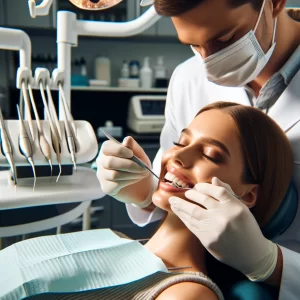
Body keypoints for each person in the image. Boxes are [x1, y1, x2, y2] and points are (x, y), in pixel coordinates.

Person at [96, 0, 300, 299]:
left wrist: (270, 263)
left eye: (226, 39)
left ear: (274, 3)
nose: (209, 62)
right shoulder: (188, 77)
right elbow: (174, 184)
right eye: (193, 45)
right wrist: (143, 193)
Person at [2, 102, 293, 300]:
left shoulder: (186, 294)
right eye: (181, 142)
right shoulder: (113, 241)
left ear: (248, 195)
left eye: (210, 155)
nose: (176, 156)